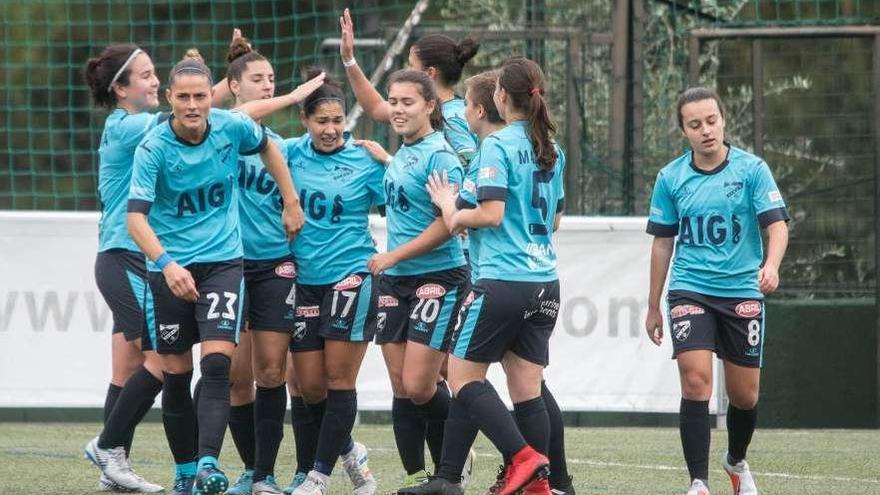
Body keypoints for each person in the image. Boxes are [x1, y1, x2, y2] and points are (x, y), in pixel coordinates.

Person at [125, 52, 304, 495]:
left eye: (200, 96)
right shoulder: (152, 148)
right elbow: (136, 221)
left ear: (211, 98)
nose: (192, 105)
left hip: (224, 262)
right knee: (177, 373)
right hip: (170, 268)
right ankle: (185, 470)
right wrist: (167, 265)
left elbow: (269, 148)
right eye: (183, 97)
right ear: (169, 98)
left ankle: (208, 463)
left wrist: (292, 199)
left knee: (219, 363)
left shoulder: (232, 126)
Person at [424, 57, 565, 495]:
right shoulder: (553, 148)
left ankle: (523, 458)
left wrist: (450, 207)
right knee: (527, 390)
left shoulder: (498, 145)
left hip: (502, 281)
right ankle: (539, 488)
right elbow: (555, 220)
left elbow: (489, 214)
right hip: (545, 283)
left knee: (464, 379)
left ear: (502, 95)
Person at [644, 87, 789, 495]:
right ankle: (698, 483)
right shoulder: (671, 178)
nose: (705, 130)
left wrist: (771, 265)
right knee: (696, 383)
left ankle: (736, 460)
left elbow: (777, 225)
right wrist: (653, 305)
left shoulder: (752, 170)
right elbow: (661, 243)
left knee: (744, 397)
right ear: (683, 131)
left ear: (723, 121)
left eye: (711, 121)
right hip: (690, 289)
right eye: (695, 125)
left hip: (742, 290)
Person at [355, 69, 469, 491]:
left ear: (430, 106)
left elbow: (449, 225)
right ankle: (422, 478)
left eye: (408, 102)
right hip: (396, 279)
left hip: (436, 275)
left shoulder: (442, 156)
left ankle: (455, 459)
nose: (398, 109)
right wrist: (386, 161)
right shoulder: (403, 151)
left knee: (422, 386)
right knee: (402, 385)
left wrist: (393, 255)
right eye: (394, 101)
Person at [279, 69, 384, 495]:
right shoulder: (285, 154)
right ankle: (348, 451)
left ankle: (317, 476)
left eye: (337, 120)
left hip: (351, 277)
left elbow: (407, 197)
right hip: (304, 282)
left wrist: (390, 162)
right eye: (321, 121)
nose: (331, 129)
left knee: (339, 380)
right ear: (304, 119)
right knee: (307, 387)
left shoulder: (364, 159)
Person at [82, 43, 167, 494]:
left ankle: (113, 470)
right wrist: (287, 97)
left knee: (125, 370)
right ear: (120, 89)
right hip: (122, 257)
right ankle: (108, 445)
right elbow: (201, 116)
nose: (157, 81)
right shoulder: (130, 126)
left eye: (155, 73)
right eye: (147, 75)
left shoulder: (130, 125)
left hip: (128, 258)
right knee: (160, 360)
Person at [338, 8, 478, 167]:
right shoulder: (426, 108)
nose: (406, 71)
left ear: (430, 73)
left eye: (411, 65)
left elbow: (469, 172)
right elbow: (376, 108)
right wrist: (348, 59)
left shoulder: (452, 119)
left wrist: (391, 162)